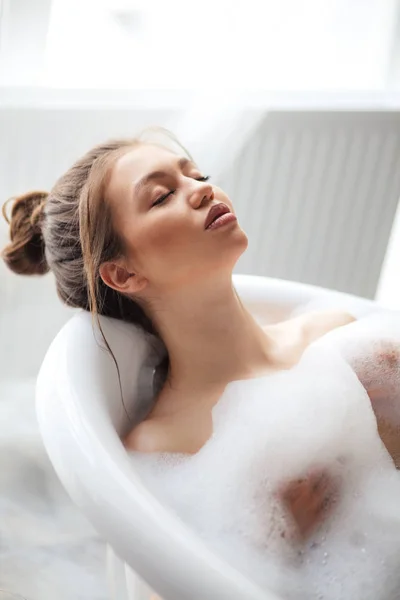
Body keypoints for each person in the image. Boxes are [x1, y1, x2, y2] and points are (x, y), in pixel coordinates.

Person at [1, 128, 397, 544]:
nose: (202, 191)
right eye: (161, 196)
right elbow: (163, 579)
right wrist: (278, 539)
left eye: (198, 176)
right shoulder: (164, 449)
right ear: (124, 274)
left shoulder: (339, 334)